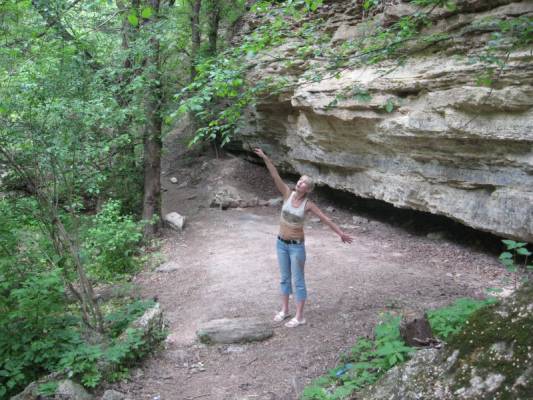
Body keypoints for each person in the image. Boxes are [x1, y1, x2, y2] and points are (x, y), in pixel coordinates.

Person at [254, 148, 353, 328]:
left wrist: (341, 233)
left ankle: (300, 317)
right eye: (300, 180)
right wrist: (264, 157)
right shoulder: (287, 193)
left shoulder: (308, 205)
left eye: (304, 183)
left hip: (296, 247)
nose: (300, 183)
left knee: (298, 281)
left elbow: (326, 219)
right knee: (284, 278)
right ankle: (285, 310)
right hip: (281, 243)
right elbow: (275, 175)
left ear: (308, 189)